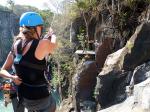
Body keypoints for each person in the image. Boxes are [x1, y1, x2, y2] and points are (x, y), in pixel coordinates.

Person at [0, 11, 57, 112]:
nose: (42, 29)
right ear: (36, 28)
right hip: (41, 100)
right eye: (40, 27)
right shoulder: (43, 44)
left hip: (24, 98)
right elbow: (53, 46)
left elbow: (2, 70)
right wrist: (53, 35)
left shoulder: (15, 45)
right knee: (53, 104)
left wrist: (12, 77)